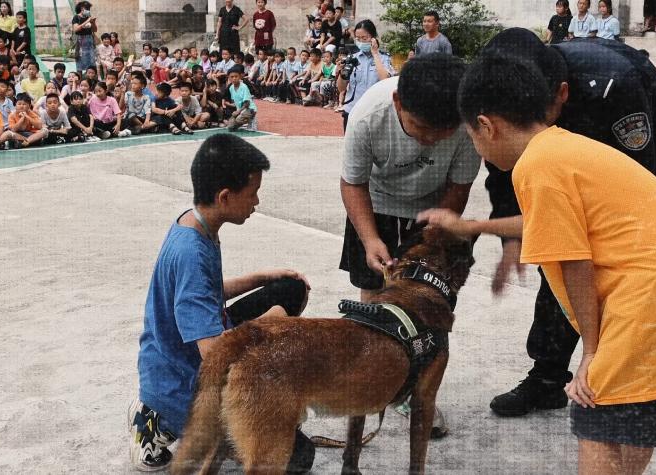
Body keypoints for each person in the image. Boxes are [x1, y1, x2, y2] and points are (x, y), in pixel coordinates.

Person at [455, 54, 656, 475]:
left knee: (596, 408)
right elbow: (549, 222)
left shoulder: (536, 166)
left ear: (487, 125)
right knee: (631, 411)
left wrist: (591, 350)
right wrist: (473, 224)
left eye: (471, 137)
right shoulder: (561, 146)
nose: (476, 147)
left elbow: (575, 262)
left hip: (647, 293)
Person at [432, 28, 656, 418]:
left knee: (629, 246)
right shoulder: (506, 98)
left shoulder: (611, 84)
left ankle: (641, 372)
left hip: (635, 108)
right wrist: (511, 242)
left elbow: (639, 189)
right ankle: (548, 377)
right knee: (556, 248)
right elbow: (503, 174)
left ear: (558, 95)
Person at [129, 133, 314, 473]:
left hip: (194, 342)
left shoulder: (196, 223)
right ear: (225, 196)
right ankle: (161, 421)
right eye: (253, 192)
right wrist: (271, 323)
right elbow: (215, 357)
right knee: (297, 457)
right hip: (187, 377)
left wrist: (262, 277)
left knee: (289, 289)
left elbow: (205, 293)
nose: (257, 201)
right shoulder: (190, 252)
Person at [339, 54, 480, 438]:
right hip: (377, 207)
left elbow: (459, 187)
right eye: (421, 128)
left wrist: (433, 239)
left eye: (442, 132)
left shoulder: (468, 124)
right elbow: (352, 183)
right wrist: (370, 239)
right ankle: (375, 379)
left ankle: (415, 390)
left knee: (428, 304)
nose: (431, 140)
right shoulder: (368, 115)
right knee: (375, 301)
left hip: (432, 210)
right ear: (399, 102)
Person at [337, 20, 394, 131]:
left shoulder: (384, 58)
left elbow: (385, 80)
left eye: (365, 38)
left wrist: (375, 53)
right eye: (358, 38)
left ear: (373, 37)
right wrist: (341, 73)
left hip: (376, 112)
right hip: (353, 110)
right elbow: (341, 88)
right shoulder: (353, 58)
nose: (361, 41)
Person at [224, 64, 256, 131]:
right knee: (230, 127)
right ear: (229, 78)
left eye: (236, 76)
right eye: (232, 77)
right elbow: (235, 101)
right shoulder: (231, 88)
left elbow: (247, 103)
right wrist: (235, 112)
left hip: (250, 109)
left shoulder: (244, 87)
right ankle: (240, 121)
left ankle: (251, 120)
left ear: (240, 77)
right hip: (240, 110)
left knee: (239, 119)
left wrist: (238, 111)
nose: (234, 78)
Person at [72, 1, 97, 72]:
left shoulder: (88, 17)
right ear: (82, 9)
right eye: (87, 9)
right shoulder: (76, 17)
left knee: (92, 62)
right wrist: (87, 21)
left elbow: (95, 30)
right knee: (79, 62)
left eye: (89, 9)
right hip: (80, 43)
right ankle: (79, 79)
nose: (88, 10)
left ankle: (90, 79)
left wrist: (93, 22)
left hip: (89, 42)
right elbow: (76, 29)